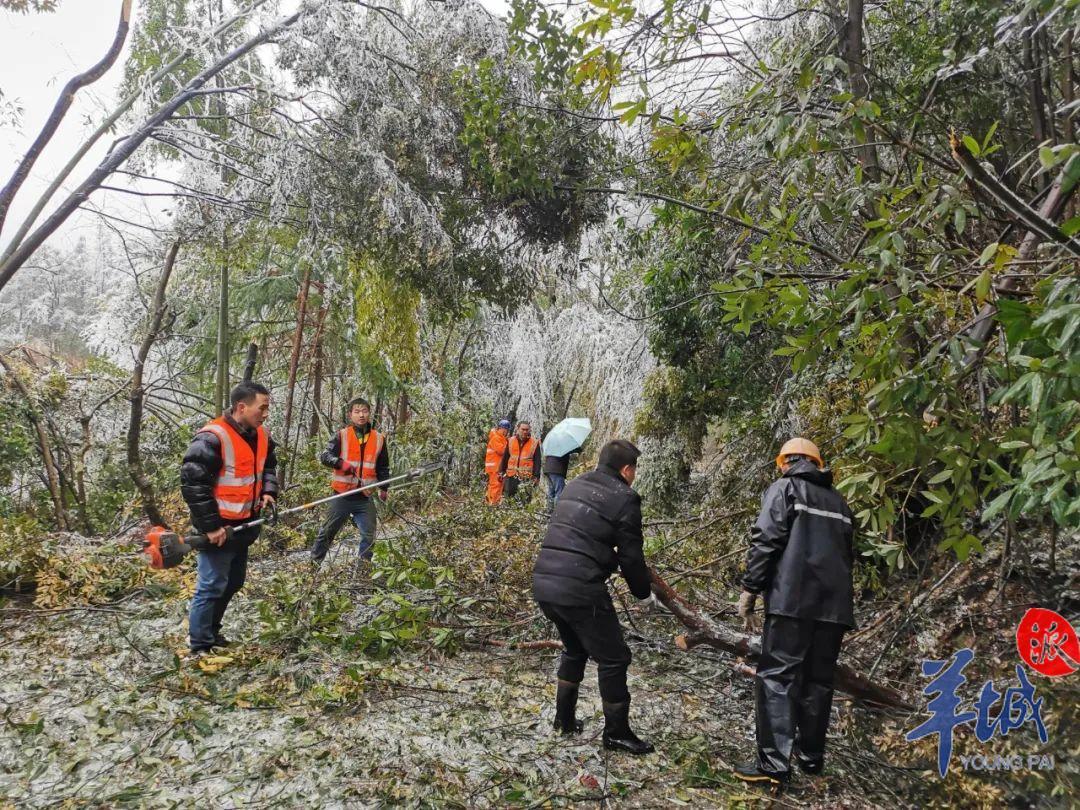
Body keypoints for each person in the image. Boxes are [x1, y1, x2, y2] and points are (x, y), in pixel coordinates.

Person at [734, 438, 855, 785]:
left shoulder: (785, 489)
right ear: (817, 463)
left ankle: (773, 766)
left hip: (792, 603)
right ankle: (811, 757)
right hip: (834, 608)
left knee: (776, 678)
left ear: (785, 462)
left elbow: (766, 539)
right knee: (818, 681)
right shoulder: (840, 502)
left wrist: (750, 590)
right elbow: (848, 555)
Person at [532, 439, 654, 755]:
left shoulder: (575, 485)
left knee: (575, 649)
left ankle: (564, 720)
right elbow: (631, 557)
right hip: (579, 588)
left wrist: (606, 559)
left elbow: (581, 538)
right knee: (614, 657)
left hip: (545, 583)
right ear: (627, 469)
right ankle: (616, 732)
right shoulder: (625, 498)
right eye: (635, 469)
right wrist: (643, 592)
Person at [181, 381, 278, 654]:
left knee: (233, 582)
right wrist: (211, 527)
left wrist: (269, 492)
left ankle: (211, 632)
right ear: (241, 407)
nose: (266, 413)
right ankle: (199, 644)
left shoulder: (262, 435)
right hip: (219, 528)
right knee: (211, 585)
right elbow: (193, 485)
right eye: (263, 408)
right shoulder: (212, 437)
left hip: (245, 526)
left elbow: (269, 466)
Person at [309, 397, 390, 564]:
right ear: (350, 414)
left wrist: (384, 488)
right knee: (327, 532)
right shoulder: (341, 435)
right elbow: (325, 456)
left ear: (369, 413)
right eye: (357, 412)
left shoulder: (379, 438)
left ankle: (363, 568)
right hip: (342, 495)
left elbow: (383, 466)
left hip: (364, 497)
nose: (361, 415)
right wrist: (339, 463)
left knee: (369, 535)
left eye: (365, 411)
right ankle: (313, 566)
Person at [499, 420, 542, 502]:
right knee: (509, 500)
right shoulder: (510, 441)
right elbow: (505, 457)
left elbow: (537, 461)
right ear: (518, 429)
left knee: (524, 501)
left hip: (526, 478)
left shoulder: (534, 443)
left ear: (529, 430)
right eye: (523, 429)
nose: (525, 432)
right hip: (511, 476)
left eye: (527, 429)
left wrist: (536, 476)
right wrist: (501, 471)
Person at [541, 446, 578, 510]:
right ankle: (557, 511)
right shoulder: (563, 446)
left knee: (551, 492)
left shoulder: (552, 446)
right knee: (559, 492)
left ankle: (549, 511)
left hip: (548, 470)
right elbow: (572, 453)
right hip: (557, 471)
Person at [484, 419, 511, 505]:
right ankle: (492, 504)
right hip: (495, 467)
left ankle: (494, 502)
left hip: (498, 467)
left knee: (498, 486)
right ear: (503, 429)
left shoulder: (501, 438)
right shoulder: (496, 438)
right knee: (495, 485)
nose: (506, 432)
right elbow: (502, 451)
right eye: (506, 430)